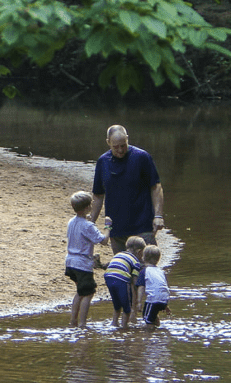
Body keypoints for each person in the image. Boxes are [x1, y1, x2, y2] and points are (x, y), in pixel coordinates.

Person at [90, 125, 165, 254]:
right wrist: (90, 222)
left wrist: (158, 215)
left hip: (142, 225)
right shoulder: (103, 162)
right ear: (108, 142)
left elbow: (156, 187)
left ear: (127, 139)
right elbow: (98, 195)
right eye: (115, 147)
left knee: (147, 267)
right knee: (122, 269)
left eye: (123, 145)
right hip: (117, 228)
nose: (120, 150)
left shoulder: (142, 157)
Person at [65, 191, 109, 327]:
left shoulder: (71, 222)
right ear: (87, 208)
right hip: (82, 264)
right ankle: (82, 324)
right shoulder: (88, 225)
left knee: (80, 291)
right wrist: (108, 226)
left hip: (70, 262)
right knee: (89, 293)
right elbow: (103, 241)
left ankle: (73, 320)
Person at [103, 235, 146, 329]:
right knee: (127, 307)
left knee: (117, 304)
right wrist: (136, 299)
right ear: (139, 252)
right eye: (142, 254)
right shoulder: (135, 262)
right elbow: (135, 282)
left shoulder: (119, 254)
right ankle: (124, 327)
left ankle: (114, 323)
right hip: (121, 279)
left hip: (108, 277)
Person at [140, 245, 171, 327]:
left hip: (153, 299)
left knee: (147, 319)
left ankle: (149, 336)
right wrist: (166, 306)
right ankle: (158, 329)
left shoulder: (144, 271)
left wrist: (138, 302)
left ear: (143, 257)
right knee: (152, 314)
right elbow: (162, 287)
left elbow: (141, 287)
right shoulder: (160, 271)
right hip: (164, 299)